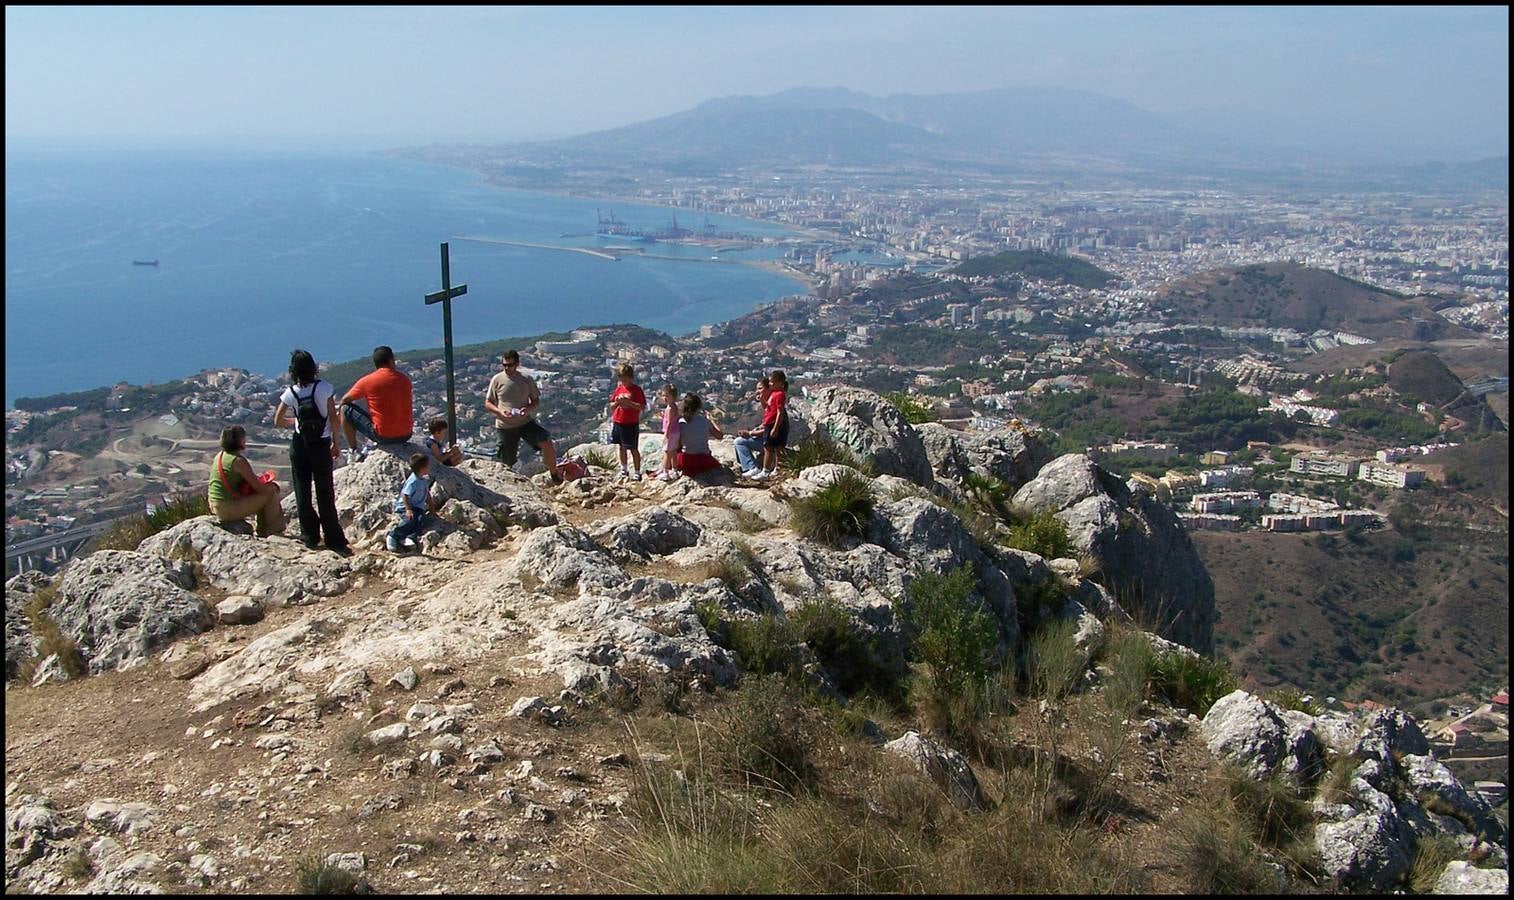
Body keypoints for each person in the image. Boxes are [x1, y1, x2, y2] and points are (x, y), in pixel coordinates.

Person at [272, 349, 352, 556]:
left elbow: (277, 420)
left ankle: (310, 536)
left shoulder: (291, 393)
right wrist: (336, 443)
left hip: (300, 445)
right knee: (325, 492)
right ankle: (334, 539)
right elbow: (334, 419)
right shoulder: (324, 388)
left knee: (302, 491)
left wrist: (296, 422)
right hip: (321, 444)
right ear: (313, 367)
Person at [484, 349, 562, 479]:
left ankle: (554, 474)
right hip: (505, 426)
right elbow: (487, 403)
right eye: (504, 365)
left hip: (525, 422)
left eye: (510, 365)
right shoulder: (497, 379)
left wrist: (527, 409)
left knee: (546, 441)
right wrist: (499, 411)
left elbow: (536, 400)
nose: (507, 368)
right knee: (507, 462)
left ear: (517, 364)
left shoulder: (526, 379)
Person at [207, 425, 286, 537]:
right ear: (240, 440)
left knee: (263, 494)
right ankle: (274, 531)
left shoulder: (219, 456)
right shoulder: (238, 461)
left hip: (216, 506)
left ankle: (264, 530)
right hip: (228, 508)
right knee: (270, 493)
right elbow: (260, 488)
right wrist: (274, 486)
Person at [339, 345, 414, 461]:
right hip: (406, 434)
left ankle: (353, 451)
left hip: (383, 436)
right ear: (391, 360)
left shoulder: (368, 380)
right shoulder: (404, 379)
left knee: (345, 409)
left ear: (375, 363)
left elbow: (345, 400)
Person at [387, 452, 436, 553]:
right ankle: (393, 535)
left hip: (418, 507)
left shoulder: (424, 480)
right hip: (406, 506)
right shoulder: (413, 481)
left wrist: (432, 509)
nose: (429, 467)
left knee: (421, 520)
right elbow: (405, 495)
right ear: (422, 468)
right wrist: (408, 509)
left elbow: (427, 494)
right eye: (427, 466)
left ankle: (409, 538)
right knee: (410, 520)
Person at [607, 363, 646, 480]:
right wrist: (618, 402)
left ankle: (637, 471)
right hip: (618, 421)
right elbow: (611, 405)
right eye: (621, 378)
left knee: (633, 448)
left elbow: (642, 406)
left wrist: (629, 403)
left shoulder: (636, 390)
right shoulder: (619, 389)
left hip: (630, 423)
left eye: (625, 378)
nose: (623, 381)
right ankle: (624, 469)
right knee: (621, 447)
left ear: (630, 377)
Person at [672, 392, 723, 479]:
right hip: (704, 460)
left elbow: (678, 445)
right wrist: (712, 420)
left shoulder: (681, 423)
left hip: (686, 460)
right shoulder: (705, 421)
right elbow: (719, 436)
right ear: (699, 407)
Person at [754, 370, 790, 480]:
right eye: (770, 382)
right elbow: (767, 408)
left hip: (775, 424)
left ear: (780, 383)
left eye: (772, 382)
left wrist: (775, 428)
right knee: (771, 446)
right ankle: (775, 469)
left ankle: (767, 470)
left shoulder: (779, 395)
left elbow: (780, 412)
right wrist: (762, 400)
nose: (770, 384)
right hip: (769, 422)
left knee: (771, 447)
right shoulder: (773, 394)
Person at [734, 375, 772, 478]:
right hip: (767, 439)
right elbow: (766, 422)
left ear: (768, 389)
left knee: (739, 442)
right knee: (741, 440)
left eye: (760, 388)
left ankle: (751, 467)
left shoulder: (773, 406)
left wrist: (750, 433)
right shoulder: (770, 404)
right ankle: (747, 466)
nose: (757, 391)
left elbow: (768, 429)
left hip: (770, 443)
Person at [649, 382, 679, 481]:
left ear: (673, 396)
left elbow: (670, 422)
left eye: (667, 396)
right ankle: (674, 470)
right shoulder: (674, 406)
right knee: (674, 451)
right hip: (676, 432)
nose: (665, 398)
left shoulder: (670, 408)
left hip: (671, 432)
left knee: (667, 452)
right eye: (663, 395)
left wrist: (666, 434)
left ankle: (665, 472)